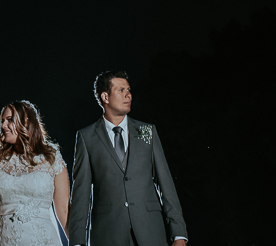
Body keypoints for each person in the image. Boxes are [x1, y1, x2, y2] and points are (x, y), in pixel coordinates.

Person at [68, 70, 188, 246]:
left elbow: (166, 183)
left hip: (151, 232)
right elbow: (81, 195)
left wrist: (178, 234)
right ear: (105, 97)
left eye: (129, 90)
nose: (128, 95)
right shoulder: (87, 138)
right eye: (121, 90)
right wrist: (77, 242)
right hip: (108, 235)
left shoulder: (147, 132)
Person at [0, 100, 70, 246]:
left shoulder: (52, 159)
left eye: (9, 120)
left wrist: (79, 243)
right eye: (2, 121)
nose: (3, 126)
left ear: (26, 122)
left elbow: (64, 211)